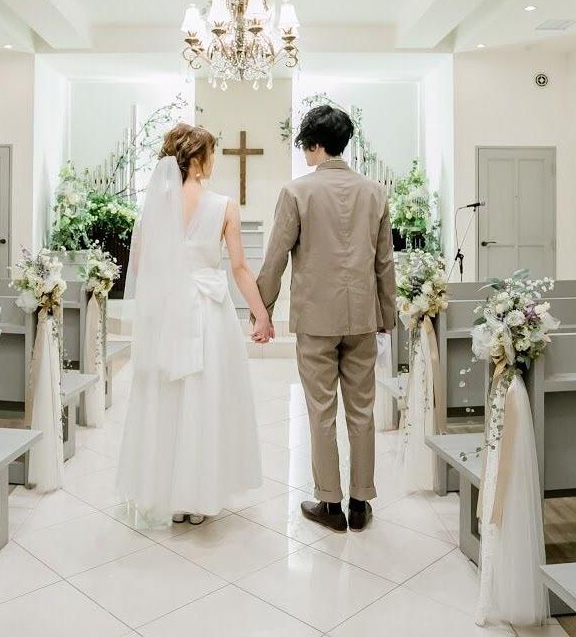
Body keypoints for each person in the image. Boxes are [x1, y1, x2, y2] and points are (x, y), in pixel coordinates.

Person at [116, 123, 270, 525]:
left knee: (167, 397)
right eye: (211, 153)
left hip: (167, 312)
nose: (214, 160)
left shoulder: (156, 205)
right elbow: (239, 268)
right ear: (199, 158)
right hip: (209, 312)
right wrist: (261, 313)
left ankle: (167, 493)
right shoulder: (224, 206)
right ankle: (198, 498)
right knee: (205, 397)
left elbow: (140, 266)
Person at [256, 105, 396, 532]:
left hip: (316, 319)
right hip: (362, 317)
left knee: (321, 411)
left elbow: (276, 257)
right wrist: (387, 314)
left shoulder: (297, 192)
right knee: (362, 410)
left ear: (315, 145)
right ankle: (361, 501)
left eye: (305, 145)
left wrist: (262, 310)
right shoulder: (375, 192)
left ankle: (330, 504)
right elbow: (385, 262)